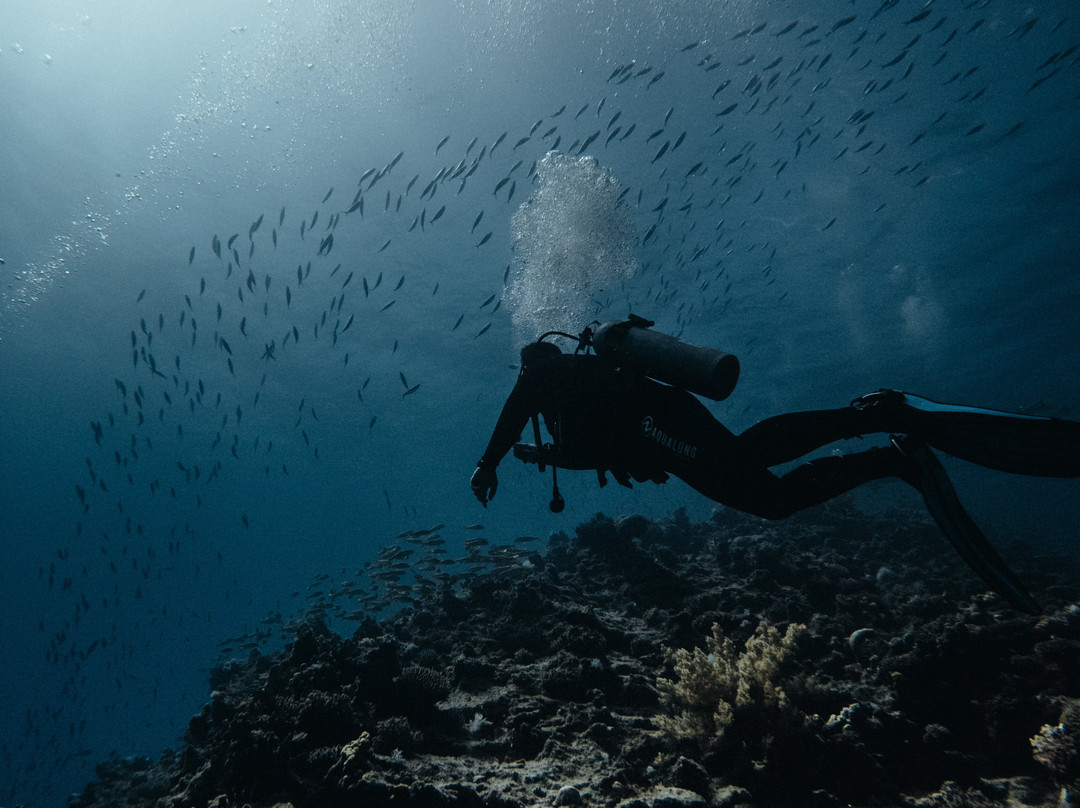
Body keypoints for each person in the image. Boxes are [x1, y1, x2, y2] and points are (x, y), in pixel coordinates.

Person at [471, 338, 1080, 614]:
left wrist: (489, 461)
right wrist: (541, 458)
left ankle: (877, 423)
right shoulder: (574, 401)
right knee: (766, 494)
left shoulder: (547, 376)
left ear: (536, 363)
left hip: (660, 424)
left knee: (751, 471)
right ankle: (889, 452)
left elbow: (513, 411)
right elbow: (595, 453)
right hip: (662, 427)